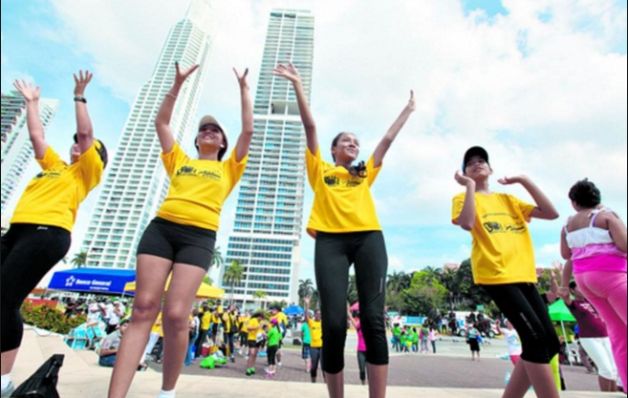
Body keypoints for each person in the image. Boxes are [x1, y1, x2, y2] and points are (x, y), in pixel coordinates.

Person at [107, 63, 253, 398]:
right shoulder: (180, 160)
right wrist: (176, 86)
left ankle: (167, 391)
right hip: (162, 230)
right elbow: (161, 123)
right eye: (204, 130)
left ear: (222, 143)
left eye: (215, 131)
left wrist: (244, 90)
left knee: (175, 315)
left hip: (198, 238)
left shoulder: (230, 168)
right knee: (143, 307)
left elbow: (247, 132)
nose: (209, 133)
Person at [274, 62, 415, 398]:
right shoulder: (320, 169)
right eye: (345, 141)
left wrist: (407, 110)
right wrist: (296, 85)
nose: (352, 143)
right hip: (330, 242)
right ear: (335, 149)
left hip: (368, 239)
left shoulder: (364, 174)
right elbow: (310, 126)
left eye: (355, 141)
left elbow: (387, 140)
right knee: (334, 324)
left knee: (373, 320)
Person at [1, 72, 107, 397]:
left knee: (5, 300)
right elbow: (36, 137)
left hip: (48, 233)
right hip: (16, 231)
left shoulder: (88, 173)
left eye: (86, 145)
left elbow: (87, 132)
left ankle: (3, 381)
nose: (79, 144)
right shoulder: (56, 166)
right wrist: (32, 102)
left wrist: (79, 95)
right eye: (75, 141)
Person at [452, 145, 561, 398]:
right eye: (471, 163)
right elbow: (467, 223)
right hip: (496, 273)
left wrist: (523, 180)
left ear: (491, 169)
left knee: (550, 343)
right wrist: (468, 186)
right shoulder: (463, 198)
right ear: (464, 172)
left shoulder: (509, 200)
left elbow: (551, 213)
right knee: (534, 339)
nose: (477, 164)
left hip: (523, 274)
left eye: (482, 161)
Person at [559, 179, 627, 389]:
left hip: (585, 280)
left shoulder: (567, 226)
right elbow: (624, 244)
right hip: (612, 275)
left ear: (574, 203)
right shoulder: (605, 216)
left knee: (618, 335)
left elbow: (565, 254)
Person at [553, 266, 619, 392]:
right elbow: (563, 294)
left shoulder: (593, 301)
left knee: (614, 370)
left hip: (606, 336)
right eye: (578, 287)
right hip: (590, 338)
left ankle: (613, 394)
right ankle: (606, 396)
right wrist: (558, 280)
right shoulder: (574, 303)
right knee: (606, 370)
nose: (582, 289)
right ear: (572, 290)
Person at [304, 297, 323, 384]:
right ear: (314, 315)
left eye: (320, 314)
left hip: (323, 348)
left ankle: (326, 384)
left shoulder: (324, 322)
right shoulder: (312, 322)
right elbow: (306, 316)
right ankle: (313, 383)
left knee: (324, 367)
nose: (319, 315)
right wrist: (307, 304)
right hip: (314, 347)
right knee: (314, 367)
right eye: (317, 314)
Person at [347, 302, 367, 385]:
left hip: (371, 350)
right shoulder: (359, 324)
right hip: (361, 350)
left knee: (371, 370)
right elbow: (352, 320)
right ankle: (363, 384)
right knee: (362, 369)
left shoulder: (371, 323)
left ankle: (371, 386)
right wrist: (348, 311)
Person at [245, 311, 264, 376]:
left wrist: (264, 334)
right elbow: (248, 328)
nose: (261, 319)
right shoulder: (253, 320)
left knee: (255, 354)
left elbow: (261, 330)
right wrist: (256, 327)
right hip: (251, 338)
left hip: (258, 339)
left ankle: (252, 367)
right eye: (261, 318)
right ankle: (248, 368)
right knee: (252, 353)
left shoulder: (260, 322)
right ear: (259, 316)